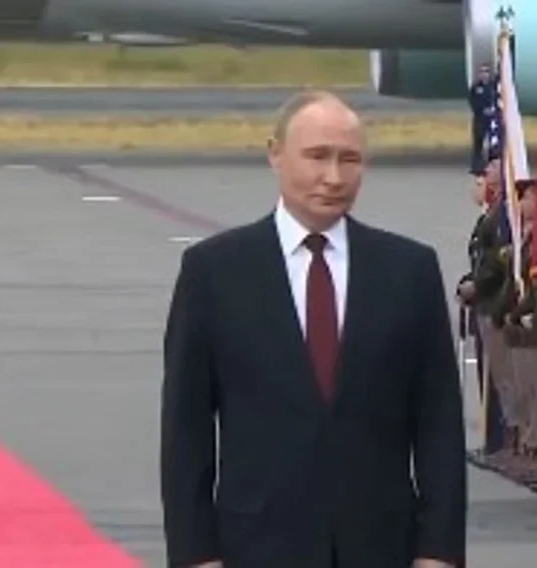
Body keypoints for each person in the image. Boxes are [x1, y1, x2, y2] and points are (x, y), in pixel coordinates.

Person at [159, 90, 466, 568]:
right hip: (256, 547)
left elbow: (438, 424)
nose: (334, 177)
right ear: (275, 154)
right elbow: (186, 430)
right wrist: (195, 555)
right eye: (317, 156)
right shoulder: (214, 272)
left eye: (350, 159)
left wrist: (439, 552)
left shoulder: (409, 270)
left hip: (382, 547)